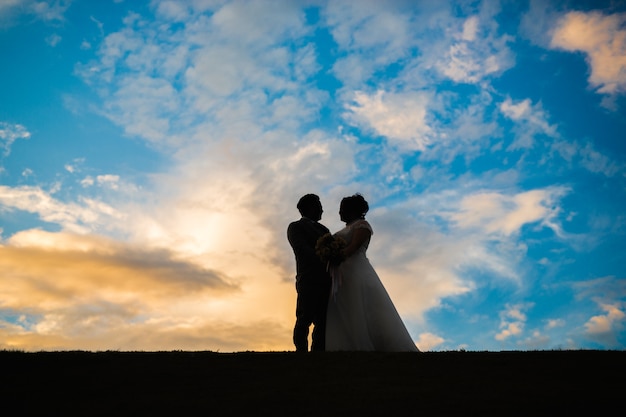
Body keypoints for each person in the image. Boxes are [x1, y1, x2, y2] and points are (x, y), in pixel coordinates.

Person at [325, 194, 419, 352]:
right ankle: (347, 345)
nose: (339, 212)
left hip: (357, 272)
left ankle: (368, 344)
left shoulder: (362, 226)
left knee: (360, 305)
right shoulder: (343, 230)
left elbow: (354, 246)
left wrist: (336, 256)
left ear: (352, 210)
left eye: (342, 209)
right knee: (345, 307)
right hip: (342, 275)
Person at [287, 194, 333, 352]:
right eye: (318, 206)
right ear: (309, 208)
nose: (322, 209)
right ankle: (301, 352)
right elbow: (302, 250)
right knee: (304, 318)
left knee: (323, 320)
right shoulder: (295, 227)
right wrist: (324, 256)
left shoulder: (324, 230)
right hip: (308, 279)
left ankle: (317, 352)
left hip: (326, 280)